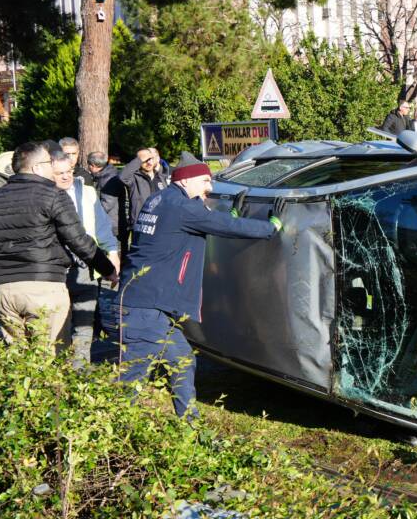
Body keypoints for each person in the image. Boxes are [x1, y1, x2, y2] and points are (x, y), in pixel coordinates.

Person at [103, 152, 283, 418]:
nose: (209, 188)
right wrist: (270, 228)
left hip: (148, 306)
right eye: (204, 181)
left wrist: (228, 216)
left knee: (182, 361)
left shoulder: (160, 199)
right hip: (145, 309)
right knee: (129, 385)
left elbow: (196, 227)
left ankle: (189, 427)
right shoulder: (183, 207)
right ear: (186, 181)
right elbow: (218, 224)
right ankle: (104, 440)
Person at [0, 142, 117, 352]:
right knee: (51, 358)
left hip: (4, 290)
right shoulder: (52, 195)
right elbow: (78, 239)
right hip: (43, 285)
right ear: (36, 168)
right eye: (48, 163)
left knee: (19, 361)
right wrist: (107, 268)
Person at [51, 152, 120, 367]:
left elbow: (101, 226)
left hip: (86, 266)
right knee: (59, 324)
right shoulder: (45, 196)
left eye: (68, 171)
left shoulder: (87, 192)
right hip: (55, 270)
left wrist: (112, 252)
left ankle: (79, 373)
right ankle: (59, 374)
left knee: (84, 323)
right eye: (59, 173)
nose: (65, 177)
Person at [119, 147, 169, 230]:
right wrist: (139, 160)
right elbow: (122, 177)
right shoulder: (134, 178)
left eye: (150, 159)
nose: (148, 162)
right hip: (141, 225)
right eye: (144, 160)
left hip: (161, 223)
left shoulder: (161, 177)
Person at [86, 151, 125, 240]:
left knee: (111, 252)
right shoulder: (104, 174)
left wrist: (91, 216)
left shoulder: (108, 178)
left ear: (93, 166)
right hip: (110, 222)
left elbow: (107, 203)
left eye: (88, 164)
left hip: (112, 225)